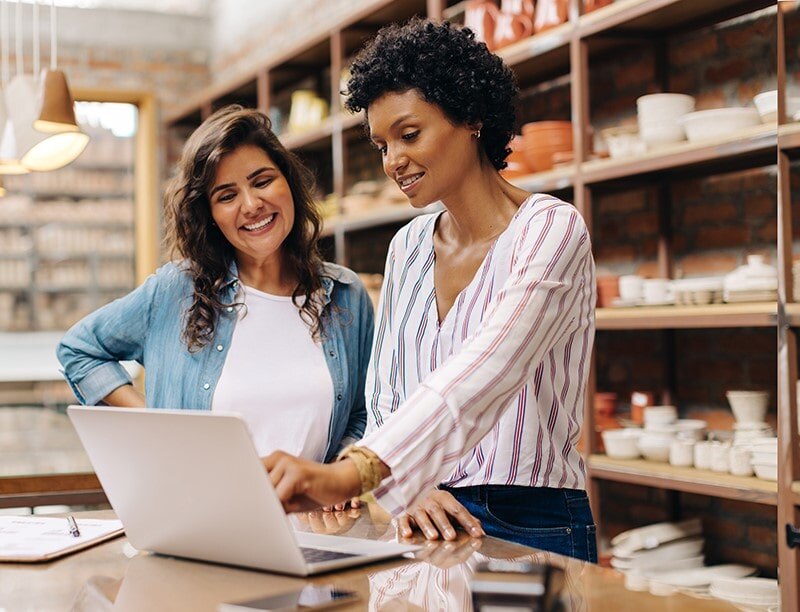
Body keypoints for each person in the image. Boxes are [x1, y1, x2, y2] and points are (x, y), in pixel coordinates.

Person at [264, 18, 597, 562]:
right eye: (381, 144)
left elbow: (487, 373)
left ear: (470, 117)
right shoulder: (409, 246)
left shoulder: (550, 230)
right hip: (422, 513)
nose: (392, 160)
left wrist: (355, 473)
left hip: (531, 520)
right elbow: (388, 393)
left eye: (409, 134)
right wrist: (409, 488)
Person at [58, 106, 374, 467]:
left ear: (289, 183)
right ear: (208, 214)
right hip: (201, 516)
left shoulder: (346, 295)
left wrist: (340, 473)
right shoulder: (176, 290)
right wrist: (156, 420)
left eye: (262, 181)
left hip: (310, 523)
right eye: (227, 196)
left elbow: (362, 413)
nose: (252, 205)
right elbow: (79, 349)